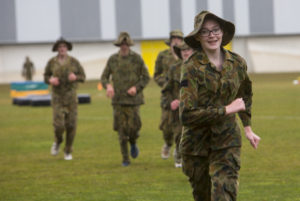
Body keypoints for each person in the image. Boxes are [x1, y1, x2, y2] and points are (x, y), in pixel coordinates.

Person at [179, 11, 261, 201]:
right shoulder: (191, 67)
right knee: (203, 196)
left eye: (215, 30)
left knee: (223, 194)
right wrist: (225, 110)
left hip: (227, 141)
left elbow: (245, 95)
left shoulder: (237, 63)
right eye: (205, 32)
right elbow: (186, 115)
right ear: (198, 37)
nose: (211, 35)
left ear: (222, 33)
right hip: (196, 145)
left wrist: (248, 128)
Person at [100, 32, 150, 167]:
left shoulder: (137, 59)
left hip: (133, 101)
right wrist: (108, 86)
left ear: (129, 45)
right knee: (121, 131)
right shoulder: (113, 59)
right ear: (118, 45)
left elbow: (146, 77)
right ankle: (125, 158)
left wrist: (136, 88)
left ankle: (133, 142)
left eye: (126, 44)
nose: (124, 46)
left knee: (134, 128)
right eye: (121, 44)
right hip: (118, 100)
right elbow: (104, 77)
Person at [44, 37, 86, 160]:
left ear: (67, 48)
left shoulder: (74, 62)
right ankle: (57, 141)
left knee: (71, 125)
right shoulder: (52, 62)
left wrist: (76, 77)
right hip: (57, 98)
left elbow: (83, 76)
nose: (62, 48)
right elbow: (46, 76)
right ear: (57, 49)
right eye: (60, 47)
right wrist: (50, 80)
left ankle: (68, 150)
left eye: (64, 46)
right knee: (58, 126)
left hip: (71, 98)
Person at [161, 41, 194, 168]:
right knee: (180, 134)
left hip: (197, 108)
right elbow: (166, 89)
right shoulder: (174, 69)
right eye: (183, 50)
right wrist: (171, 102)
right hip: (178, 111)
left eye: (188, 49)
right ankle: (179, 156)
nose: (185, 52)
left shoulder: (200, 67)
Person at [154, 30, 183, 159]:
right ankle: (167, 143)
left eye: (179, 38)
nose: (176, 40)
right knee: (166, 127)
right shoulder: (163, 56)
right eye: (174, 38)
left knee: (180, 127)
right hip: (168, 97)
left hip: (183, 97)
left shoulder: (186, 55)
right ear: (170, 40)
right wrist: (165, 84)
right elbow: (156, 75)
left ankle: (178, 150)